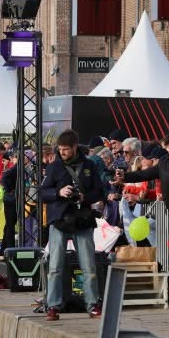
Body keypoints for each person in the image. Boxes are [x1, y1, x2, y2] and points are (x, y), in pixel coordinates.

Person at [40, 130, 104, 321]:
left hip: (82, 219)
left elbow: (99, 191)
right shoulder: (54, 167)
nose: (62, 152)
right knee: (55, 266)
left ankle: (92, 304)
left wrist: (85, 197)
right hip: (59, 219)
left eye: (66, 149)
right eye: (60, 149)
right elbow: (42, 192)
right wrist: (58, 193)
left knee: (88, 266)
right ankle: (53, 306)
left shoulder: (89, 165)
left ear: (75, 147)